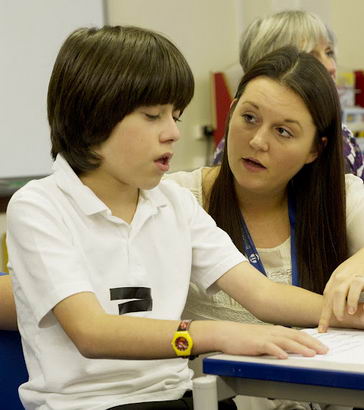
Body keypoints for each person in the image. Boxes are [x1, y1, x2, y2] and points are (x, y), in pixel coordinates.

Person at [7, 25, 360, 410]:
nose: (173, 133)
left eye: (175, 116)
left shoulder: (173, 202)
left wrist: (349, 316)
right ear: (94, 116)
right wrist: (216, 334)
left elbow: (262, 294)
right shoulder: (39, 206)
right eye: (153, 116)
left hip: (180, 397)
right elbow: (91, 331)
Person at [166, 46, 364, 410]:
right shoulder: (178, 200)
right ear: (231, 111)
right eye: (250, 118)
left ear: (315, 150)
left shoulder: (342, 198)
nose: (258, 142)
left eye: (284, 132)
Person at [212, 10, 364, 180]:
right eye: (311, 57)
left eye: (329, 52)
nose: (331, 66)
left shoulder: (337, 142)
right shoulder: (230, 148)